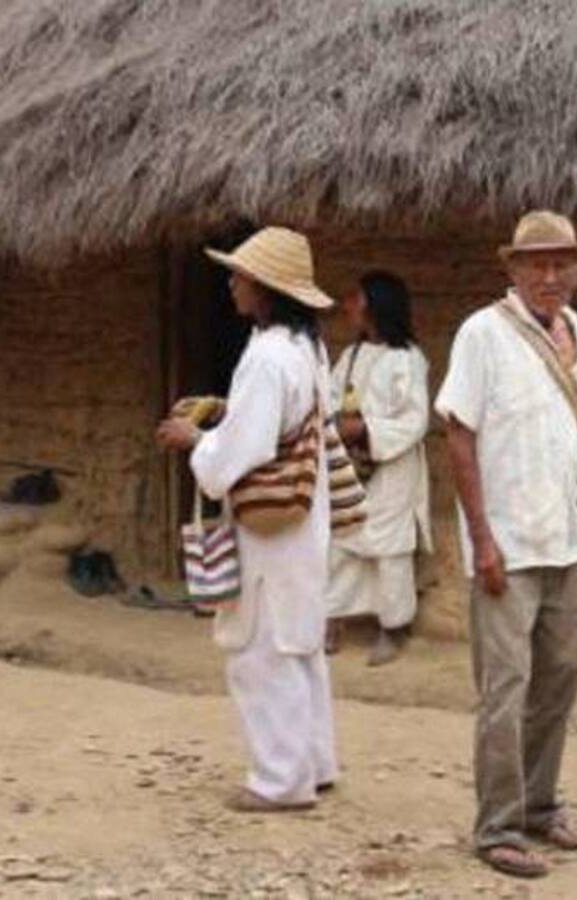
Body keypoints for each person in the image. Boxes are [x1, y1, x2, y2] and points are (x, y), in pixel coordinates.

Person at [436, 210, 577, 879]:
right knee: (505, 688)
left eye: (563, 262)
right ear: (512, 269)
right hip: (506, 543)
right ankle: (498, 827)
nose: (551, 274)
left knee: (561, 677)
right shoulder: (483, 333)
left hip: (565, 539)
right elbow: (459, 436)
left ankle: (538, 805)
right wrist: (481, 539)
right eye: (537, 263)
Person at [157, 227, 338, 812]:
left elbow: (244, 452)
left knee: (262, 648)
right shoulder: (309, 350)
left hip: (270, 532)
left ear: (264, 289)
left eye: (239, 276)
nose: (231, 284)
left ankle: (280, 781)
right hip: (304, 523)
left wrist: (195, 440)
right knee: (299, 642)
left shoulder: (264, 357)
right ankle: (314, 762)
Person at [324, 272, 432, 666]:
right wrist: (339, 423)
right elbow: (331, 398)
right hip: (351, 468)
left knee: (390, 550)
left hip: (391, 470)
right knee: (340, 542)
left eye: (356, 297)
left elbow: (414, 421)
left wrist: (367, 430)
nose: (349, 304)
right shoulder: (349, 357)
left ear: (375, 304)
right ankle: (332, 618)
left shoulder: (408, 360)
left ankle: (393, 626)